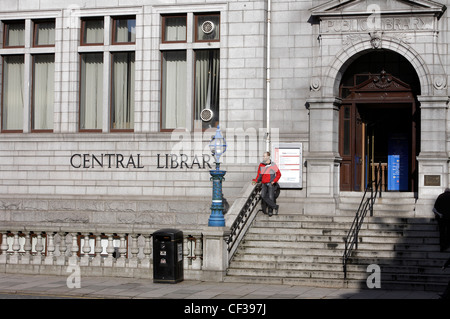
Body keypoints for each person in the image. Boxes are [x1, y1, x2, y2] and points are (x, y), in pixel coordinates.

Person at [252, 152, 281, 216]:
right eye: (263, 156)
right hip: (264, 183)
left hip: (271, 184)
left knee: (271, 197)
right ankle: (275, 206)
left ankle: (270, 210)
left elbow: (279, 174)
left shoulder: (273, 165)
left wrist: (274, 181)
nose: (263, 157)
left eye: (264, 156)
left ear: (268, 157)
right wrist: (255, 181)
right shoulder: (261, 165)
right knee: (263, 196)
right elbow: (259, 175)